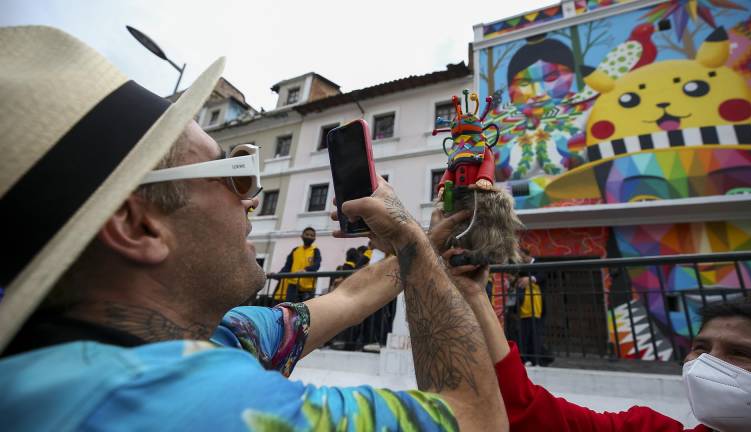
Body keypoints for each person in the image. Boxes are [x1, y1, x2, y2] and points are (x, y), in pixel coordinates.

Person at [0, 26, 507, 430]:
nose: (253, 196)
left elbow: (346, 301)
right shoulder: (189, 406)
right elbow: (476, 419)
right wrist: (410, 237)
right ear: (138, 226)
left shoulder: (205, 337)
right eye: (230, 174)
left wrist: (423, 244)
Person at [428, 209, 751, 432]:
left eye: (740, 353)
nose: (709, 363)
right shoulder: (646, 428)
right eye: (700, 348)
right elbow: (527, 409)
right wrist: (475, 296)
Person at [515, 248, 548, 366]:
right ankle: (526, 358)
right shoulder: (521, 267)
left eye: (521, 256)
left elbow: (542, 276)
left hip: (537, 305)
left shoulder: (538, 264)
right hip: (525, 306)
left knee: (536, 333)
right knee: (525, 333)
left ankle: (537, 359)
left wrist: (530, 279)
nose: (520, 259)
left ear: (527, 255)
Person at [274, 226, 322, 302]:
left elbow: (317, 264)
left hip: (308, 287)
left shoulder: (315, 250)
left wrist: (306, 270)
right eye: (307, 234)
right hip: (293, 284)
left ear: (314, 238)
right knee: (291, 308)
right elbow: (287, 266)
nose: (309, 237)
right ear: (302, 236)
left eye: (312, 235)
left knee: (305, 310)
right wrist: (276, 275)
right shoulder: (295, 250)